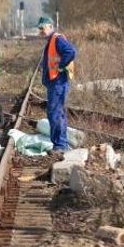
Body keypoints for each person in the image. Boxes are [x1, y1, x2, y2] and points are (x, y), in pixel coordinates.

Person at [38, 16, 76, 152]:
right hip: (54, 82)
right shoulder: (52, 40)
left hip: (58, 82)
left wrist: (60, 66)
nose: (41, 31)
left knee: (55, 113)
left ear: (50, 26)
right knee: (55, 113)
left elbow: (70, 52)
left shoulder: (57, 39)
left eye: (42, 28)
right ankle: (59, 144)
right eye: (39, 29)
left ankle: (60, 145)